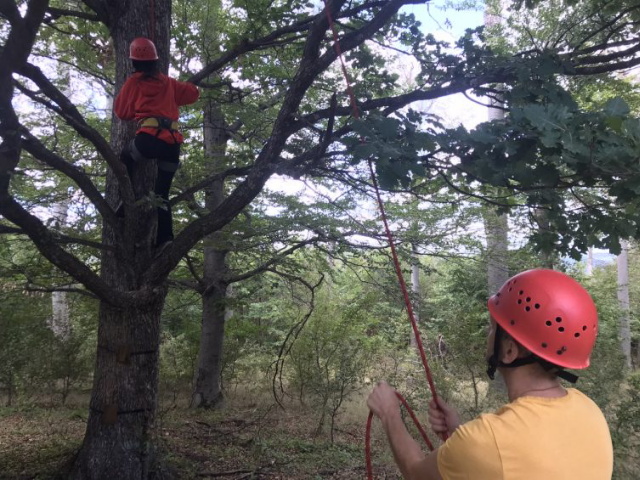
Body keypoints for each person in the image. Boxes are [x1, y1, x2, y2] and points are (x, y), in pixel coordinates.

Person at [367, 269, 613, 480]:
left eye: (492, 328)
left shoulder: (488, 441)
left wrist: (389, 413)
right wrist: (458, 431)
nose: (487, 334)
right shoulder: (589, 411)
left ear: (508, 350)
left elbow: (416, 473)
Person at [114, 37, 200, 249]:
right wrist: (175, 89)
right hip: (172, 144)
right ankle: (165, 240)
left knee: (125, 157)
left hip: (148, 141)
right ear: (155, 60)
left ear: (134, 62)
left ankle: (126, 203)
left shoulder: (134, 82)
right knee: (162, 194)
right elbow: (193, 93)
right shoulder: (169, 83)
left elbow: (122, 112)